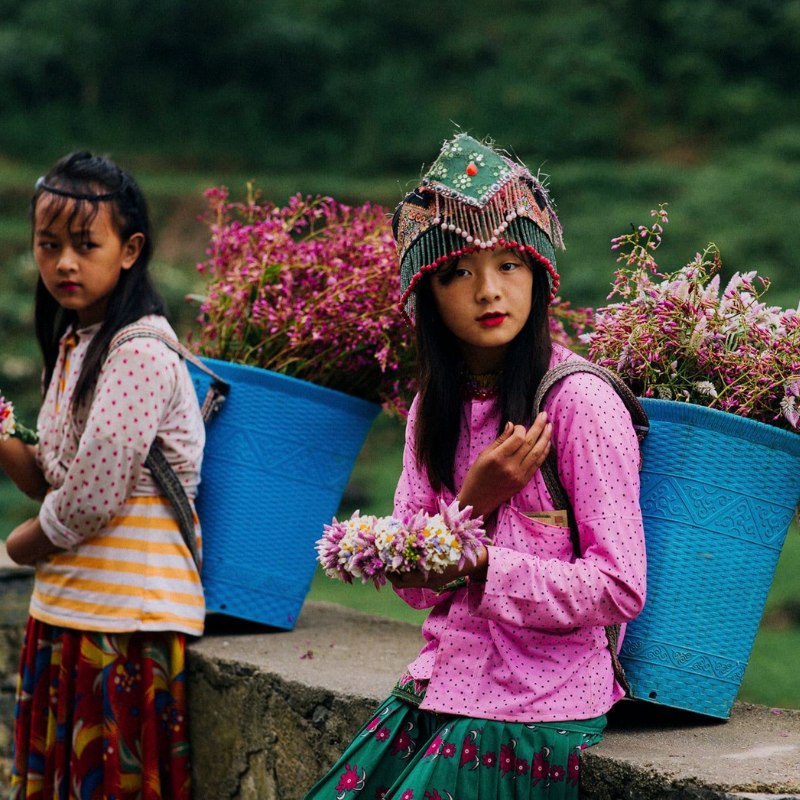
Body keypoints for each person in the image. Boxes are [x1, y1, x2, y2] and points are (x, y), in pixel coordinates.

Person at [305, 133, 646, 799]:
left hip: (536, 709)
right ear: (428, 295)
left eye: (510, 265)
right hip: (441, 684)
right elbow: (415, 586)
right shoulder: (434, 409)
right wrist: (472, 501)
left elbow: (618, 588)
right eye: (458, 272)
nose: (489, 291)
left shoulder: (578, 403)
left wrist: (483, 562)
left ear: (540, 275)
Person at [1, 151, 205, 799]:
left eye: (85, 245)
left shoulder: (140, 352)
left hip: (125, 624)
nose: (63, 262)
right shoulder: (73, 344)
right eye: (48, 244)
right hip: (70, 607)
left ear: (129, 250)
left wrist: (20, 546)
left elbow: (89, 499)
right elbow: (54, 476)